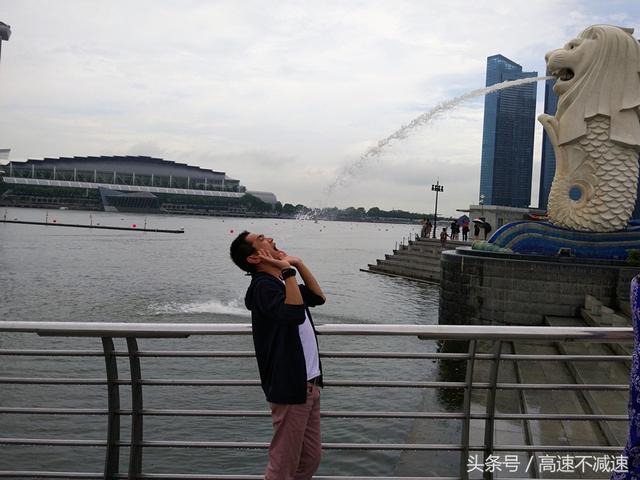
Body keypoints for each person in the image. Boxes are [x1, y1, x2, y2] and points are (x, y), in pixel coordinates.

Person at [230, 231, 326, 480]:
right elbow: (293, 315)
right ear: (254, 258)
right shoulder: (264, 286)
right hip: (290, 386)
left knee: (309, 459)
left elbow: (318, 297)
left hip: (309, 383)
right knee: (283, 464)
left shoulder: (282, 283)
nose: (271, 238)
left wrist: (298, 264)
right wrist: (286, 271)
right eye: (262, 238)